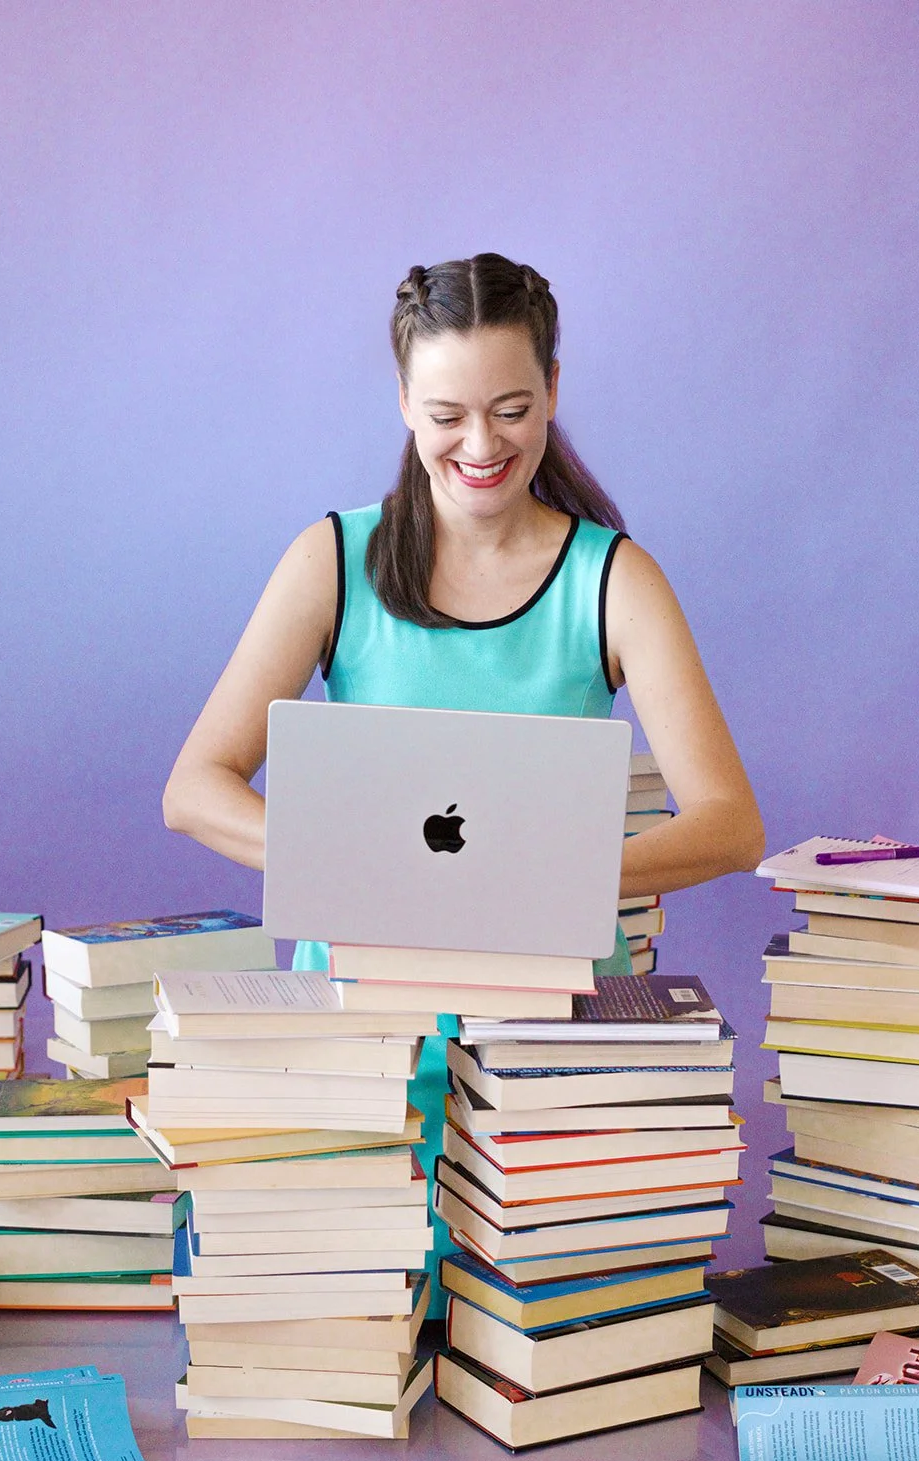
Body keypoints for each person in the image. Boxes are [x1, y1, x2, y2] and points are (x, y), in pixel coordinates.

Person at [163, 251, 765, 1312]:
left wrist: (547, 876)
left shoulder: (612, 577)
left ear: (553, 391)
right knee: (357, 1320)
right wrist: (350, 861)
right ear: (402, 401)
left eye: (511, 409)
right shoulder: (333, 559)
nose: (480, 446)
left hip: (550, 1031)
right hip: (361, 1027)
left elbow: (728, 823)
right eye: (445, 415)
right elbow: (195, 787)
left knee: (544, 1333)